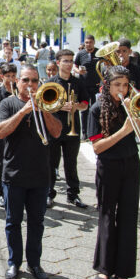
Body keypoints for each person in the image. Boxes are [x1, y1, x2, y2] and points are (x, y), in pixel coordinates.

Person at [0, 64, 62, 279]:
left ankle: (35, 263)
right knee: (12, 222)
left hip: (40, 174)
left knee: (37, 222)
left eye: (34, 80)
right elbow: (0, 131)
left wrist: (43, 110)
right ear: (17, 82)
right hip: (14, 173)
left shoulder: (46, 103)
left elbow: (57, 131)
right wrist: (23, 111)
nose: (30, 85)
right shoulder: (8, 103)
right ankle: (14, 263)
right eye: (26, 80)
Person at [88, 66, 140, 279]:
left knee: (128, 216)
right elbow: (97, 147)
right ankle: (104, 268)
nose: (121, 90)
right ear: (107, 87)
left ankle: (123, 272)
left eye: (125, 85)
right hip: (108, 166)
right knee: (107, 215)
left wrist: (136, 115)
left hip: (131, 164)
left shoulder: (132, 106)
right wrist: (123, 131)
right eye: (117, 85)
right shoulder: (96, 109)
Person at [47, 50, 89, 209]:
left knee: (71, 163)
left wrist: (75, 106)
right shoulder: (50, 82)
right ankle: (49, 194)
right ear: (58, 63)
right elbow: (44, 106)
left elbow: (85, 104)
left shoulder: (79, 82)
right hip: (54, 128)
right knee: (51, 163)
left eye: (71, 61)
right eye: (65, 61)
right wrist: (59, 105)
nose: (69, 64)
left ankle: (73, 195)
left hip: (73, 129)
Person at [0, 63, 17, 207]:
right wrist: (7, 102)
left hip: (17, 130)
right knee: (0, 161)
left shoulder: (19, 90)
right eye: (8, 76)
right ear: (2, 76)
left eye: (13, 76)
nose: (11, 79)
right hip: (1, 131)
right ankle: (0, 192)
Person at [74, 35, 99, 140]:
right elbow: (74, 66)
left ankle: (95, 132)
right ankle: (84, 133)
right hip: (83, 86)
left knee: (96, 109)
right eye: (86, 42)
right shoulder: (80, 53)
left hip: (96, 86)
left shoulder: (99, 53)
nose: (88, 44)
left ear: (94, 42)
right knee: (84, 110)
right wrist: (78, 71)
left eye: (90, 42)